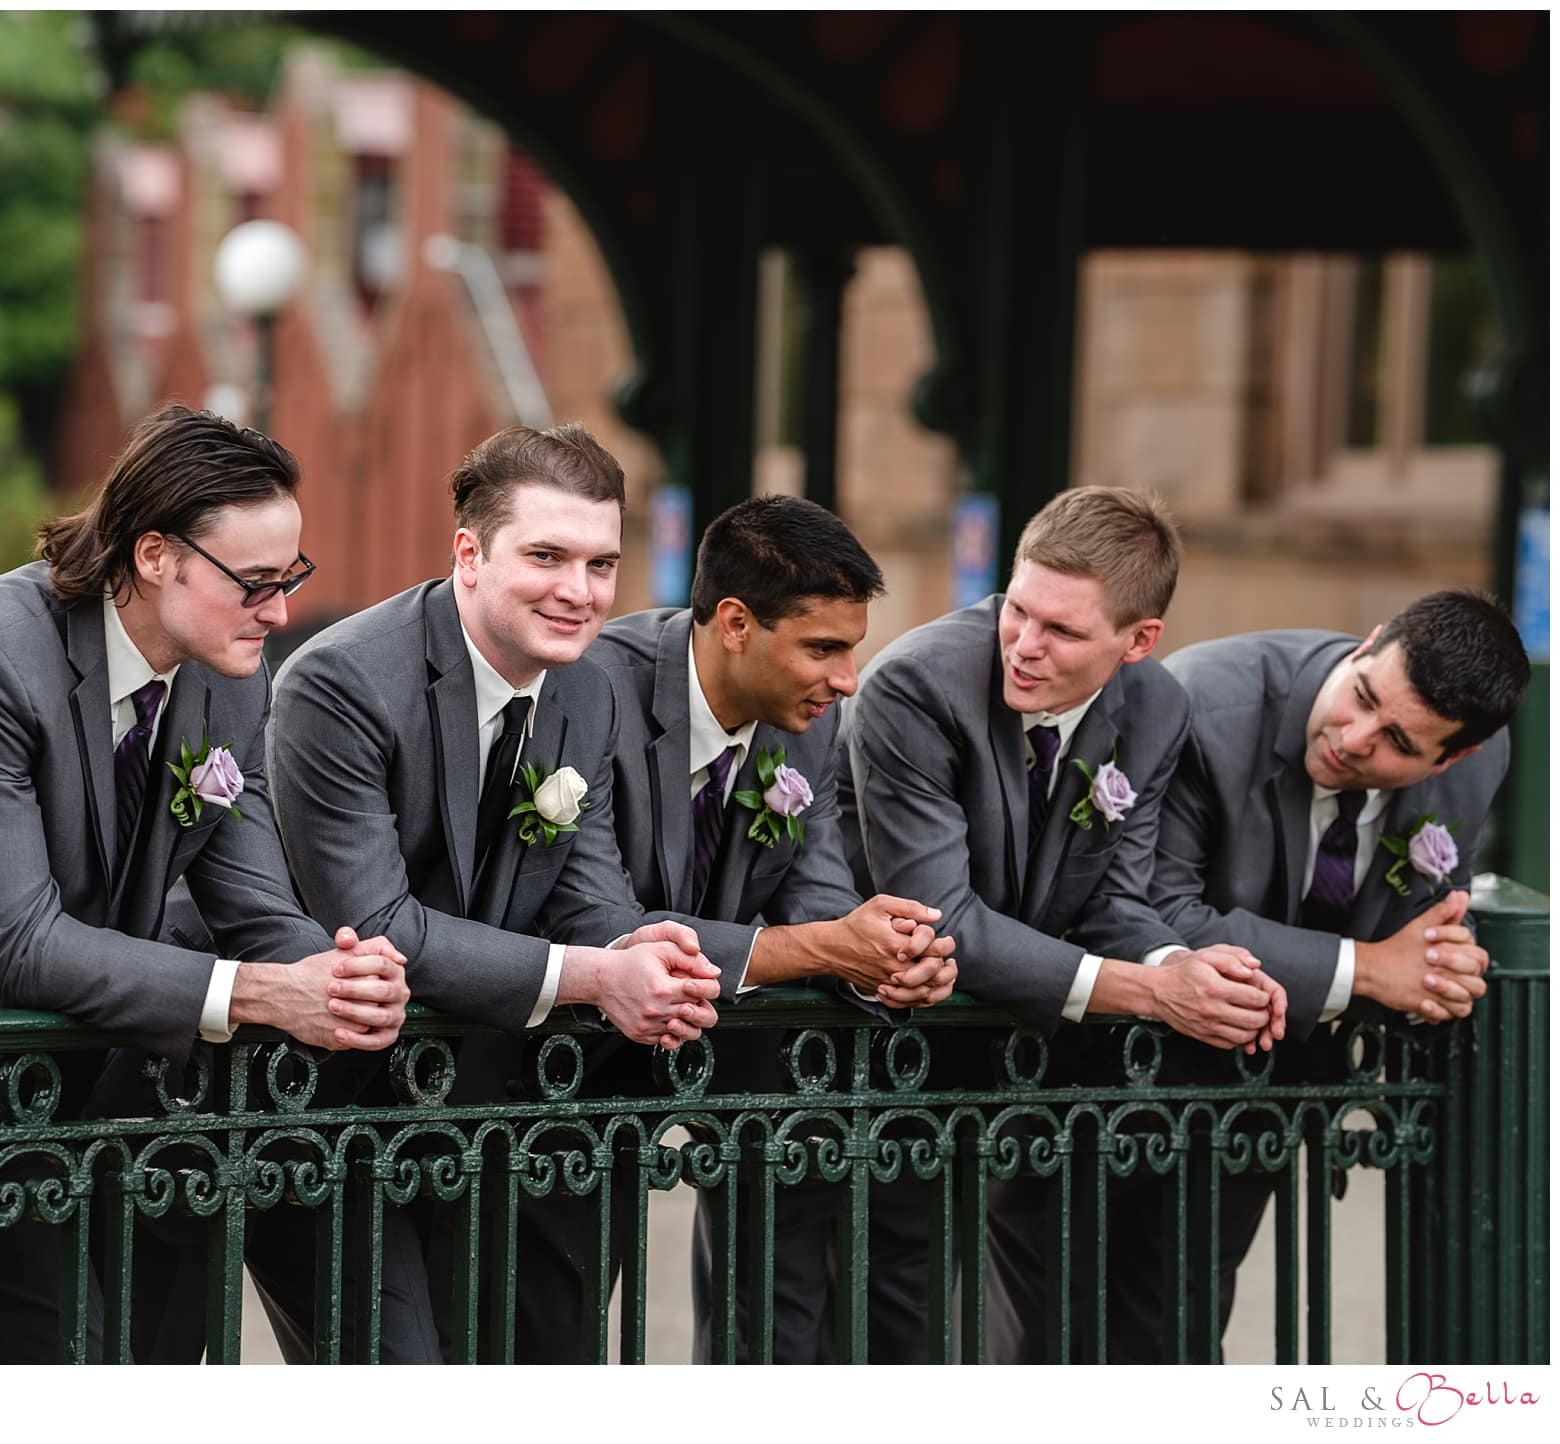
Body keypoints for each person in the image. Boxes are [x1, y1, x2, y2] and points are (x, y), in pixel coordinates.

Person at [0, 404, 411, 1363]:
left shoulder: (230, 673)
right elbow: (21, 943)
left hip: (33, 1110)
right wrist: (263, 992)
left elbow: (253, 904)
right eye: (255, 583)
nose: (281, 613)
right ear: (156, 554)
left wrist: (340, 974)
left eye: (291, 579)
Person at [266, 421, 722, 1361]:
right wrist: (599, 979)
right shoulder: (341, 681)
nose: (579, 591)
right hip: (325, 1115)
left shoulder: (586, 694)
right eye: (547, 556)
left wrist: (648, 953)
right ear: (468, 552)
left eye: (602, 565)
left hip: (484, 1118)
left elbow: (592, 902)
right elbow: (379, 923)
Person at [840, 485, 1286, 1362]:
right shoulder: (917, 683)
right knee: (893, 1336)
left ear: (1138, 642)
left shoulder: (1158, 707)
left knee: (1040, 1331)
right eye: (1020, 610)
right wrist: (1155, 992)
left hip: (1034, 1062)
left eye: (1064, 632)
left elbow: (1116, 894)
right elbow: (945, 914)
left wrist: (1180, 960)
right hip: (874, 1051)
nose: (1026, 646)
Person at [585, 494, 958, 1364]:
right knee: (552, 1332)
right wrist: (831, 946)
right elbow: (602, 919)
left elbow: (819, 899)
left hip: (743, 1066)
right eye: (823, 648)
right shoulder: (593, 684)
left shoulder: (810, 730)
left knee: (779, 1313)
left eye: (853, 648)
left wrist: (885, 962)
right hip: (566, 1057)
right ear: (736, 623)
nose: (848, 679)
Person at [1145, 588, 1526, 1355]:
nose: (1354, 739)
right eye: (1361, 696)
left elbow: (1428, 928)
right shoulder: (1203, 705)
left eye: (1398, 741)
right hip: (1121, 1076)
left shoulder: (1475, 771)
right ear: (1370, 641)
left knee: (1183, 1321)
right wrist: (1373, 970)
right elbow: (1160, 913)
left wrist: (1442, 968)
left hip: (1272, 1091)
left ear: (1454, 757)